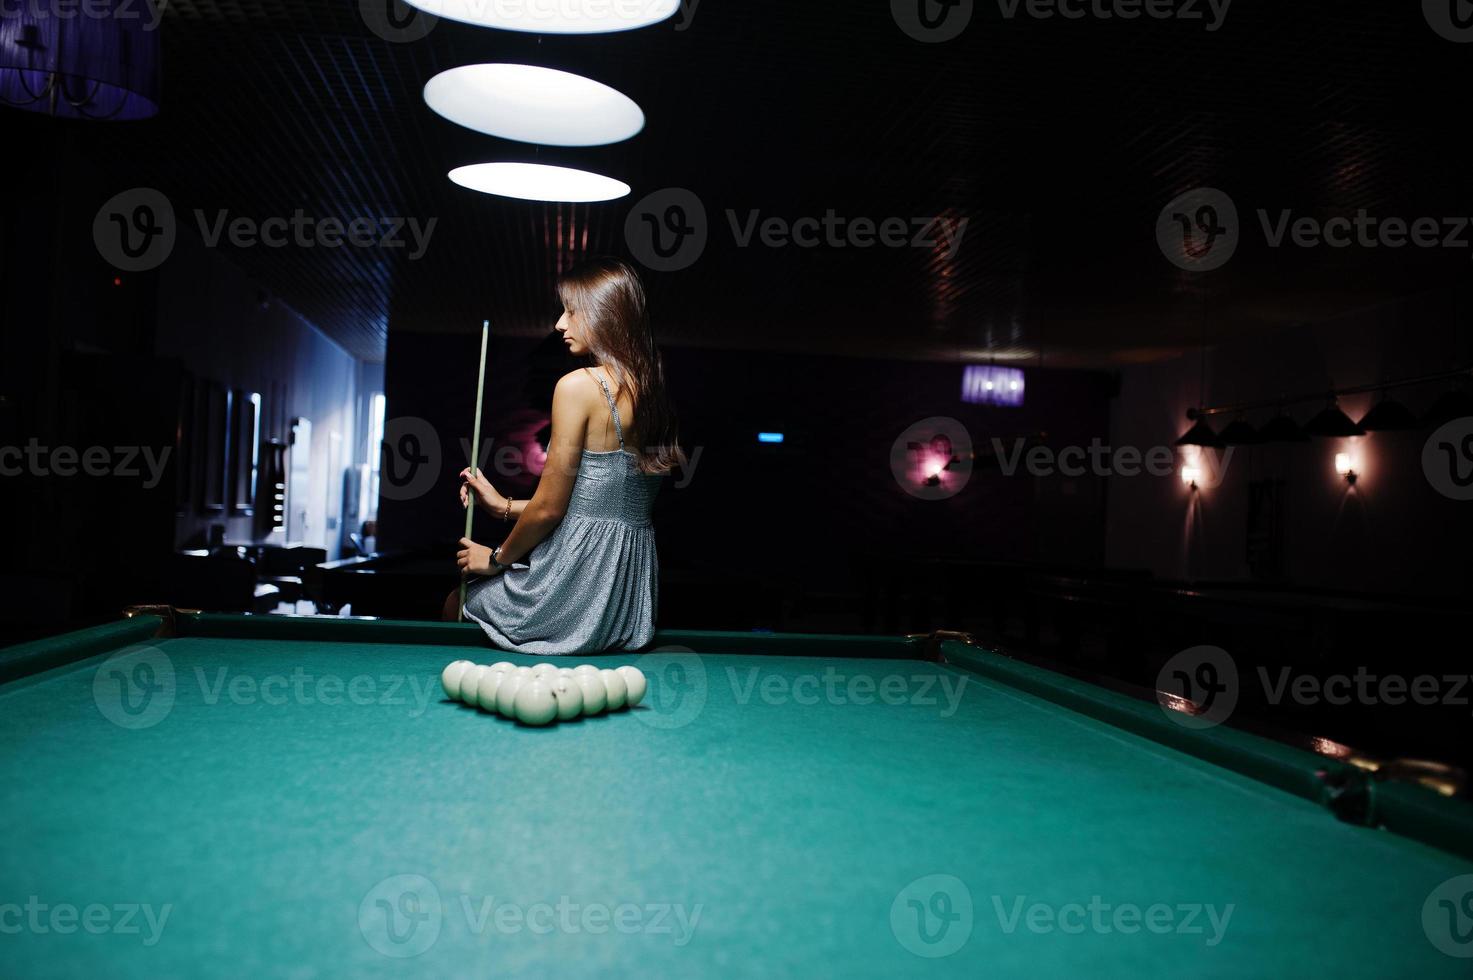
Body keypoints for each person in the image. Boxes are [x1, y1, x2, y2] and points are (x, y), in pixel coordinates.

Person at [447, 257, 682, 654]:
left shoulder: (578, 386)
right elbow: (597, 505)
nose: (559, 323)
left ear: (605, 314)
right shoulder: (654, 393)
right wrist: (502, 505)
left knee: (458, 600)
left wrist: (497, 558)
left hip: (574, 584)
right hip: (627, 599)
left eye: (571, 311)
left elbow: (550, 510)